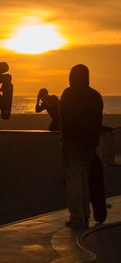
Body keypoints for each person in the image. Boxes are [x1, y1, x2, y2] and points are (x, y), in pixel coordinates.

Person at [60, 64, 103, 228]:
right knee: (84, 178)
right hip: (89, 144)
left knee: (74, 180)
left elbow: (64, 118)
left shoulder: (68, 94)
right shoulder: (95, 96)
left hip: (72, 143)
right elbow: (97, 122)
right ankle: (85, 214)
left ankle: (77, 217)